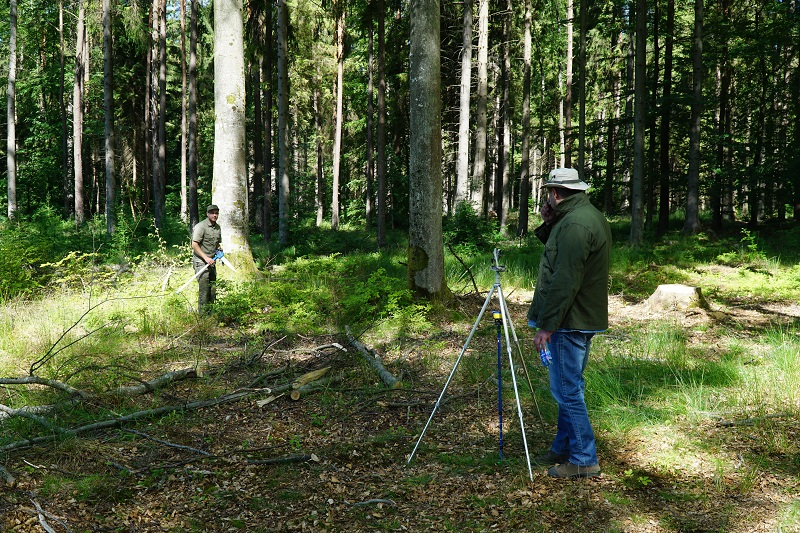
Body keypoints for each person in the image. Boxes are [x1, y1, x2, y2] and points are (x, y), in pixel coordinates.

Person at [528, 167, 611, 479]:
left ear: (555, 193)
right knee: (568, 386)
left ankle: (584, 458)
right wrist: (550, 223)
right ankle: (563, 447)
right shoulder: (581, 216)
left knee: (567, 390)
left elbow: (565, 279)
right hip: (578, 317)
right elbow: (561, 257)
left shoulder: (576, 223)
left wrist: (547, 326)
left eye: (549, 193)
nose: (549, 198)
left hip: (570, 319)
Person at [191, 204, 222, 314]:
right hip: (200, 262)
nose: (214, 215)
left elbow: (217, 243)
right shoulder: (201, 227)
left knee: (212, 288)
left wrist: (219, 250)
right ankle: (202, 316)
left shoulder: (217, 228)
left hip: (212, 262)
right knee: (204, 289)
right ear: (207, 214)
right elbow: (194, 245)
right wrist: (206, 258)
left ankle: (211, 313)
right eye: (212, 213)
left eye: (216, 213)